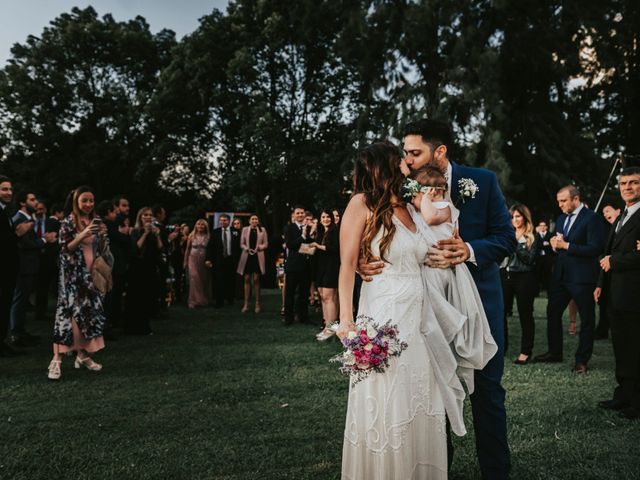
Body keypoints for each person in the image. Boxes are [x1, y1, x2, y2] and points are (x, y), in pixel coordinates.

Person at [359, 120, 516, 479]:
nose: (408, 160)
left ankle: (496, 472)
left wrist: (468, 250)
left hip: (479, 304)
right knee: (430, 393)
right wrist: (359, 260)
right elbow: (371, 228)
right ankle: (437, 467)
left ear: (440, 151)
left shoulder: (482, 181)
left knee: (487, 391)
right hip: (424, 309)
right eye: (405, 154)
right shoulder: (398, 188)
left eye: (415, 153)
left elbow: (506, 237)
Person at [534, 185, 606, 374]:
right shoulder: (561, 219)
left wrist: (566, 245)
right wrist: (554, 245)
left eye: (563, 201)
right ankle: (554, 352)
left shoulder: (592, 218)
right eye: (558, 201)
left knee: (587, 319)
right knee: (552, 312)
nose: (560, 205)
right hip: (561, 276)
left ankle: (582, 360)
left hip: (582, 277)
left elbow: (595, 249)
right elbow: (559, 245)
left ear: (576, 199)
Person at [47, 186, 107, 380]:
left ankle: (82, 354)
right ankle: (57, 359)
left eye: (91, 201)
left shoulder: (94, 220)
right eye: (85, 201)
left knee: (88, 314)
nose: (89, 204)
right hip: (72, 276)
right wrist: (83, 233)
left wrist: (103, 235)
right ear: (76, 201)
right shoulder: (68, 222)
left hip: (91, 274)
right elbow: (65, 248)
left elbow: (100, 248)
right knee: (69, 316)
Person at [595, 167, 640, 419]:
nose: (627, 187)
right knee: (621, 346)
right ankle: (622, 394)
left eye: (633, 183)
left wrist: (616, 261)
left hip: (635, 295)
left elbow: (619, 257)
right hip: (615, 294)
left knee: (636, 347)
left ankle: (637, 401)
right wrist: (601, 282)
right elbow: (607, 252)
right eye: (624, 183)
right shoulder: (621, 214)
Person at [10, 191, 57, 347]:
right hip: (23, 266)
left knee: (23, 300)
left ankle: (20, 331)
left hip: (29, 266)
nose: (36, 202)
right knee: (19, 299)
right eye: (32, 200)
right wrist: (45, 239)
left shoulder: (27, 218)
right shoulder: (19, 219)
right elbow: (25, 243)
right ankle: (16, 334)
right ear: (23, 203)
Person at [502, 205, 540, 365]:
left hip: (524, 277)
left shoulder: (532, 236)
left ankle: (526, 351)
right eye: (512, 217)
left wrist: (516, 245)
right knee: (501, 313)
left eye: (518, 216)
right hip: (505, 275)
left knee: (525, 314)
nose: (514, 220)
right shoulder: (507, 234)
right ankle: (501, 347)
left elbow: (530, 260)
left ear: (524, 217)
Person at [124, 207, 163, 335]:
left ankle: (145, 326)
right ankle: (133, 327)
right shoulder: (135, 231)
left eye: (150, 215)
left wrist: (157, 236)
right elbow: (136, 248)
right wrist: (145, 233)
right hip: (137, 267)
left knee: (148, 297)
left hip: (150, 266)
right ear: (140, 217)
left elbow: (160, 248)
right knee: (136, 297)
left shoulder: (154, 231)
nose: (147, 217)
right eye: (145, 215)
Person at [0, 176, 24, 357]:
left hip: (8, 269)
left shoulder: (5, 211)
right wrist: (17, 233)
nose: (9, 192)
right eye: (4, 189)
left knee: (5, 304)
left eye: (10, 189)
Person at [310, 209, 340, 341]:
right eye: (323, 217)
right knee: (322, 296)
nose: (326, 219)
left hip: (332, 266)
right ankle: (326, 326)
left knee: (330, 297)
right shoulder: (321, 232)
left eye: (328, 217)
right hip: (321, 267)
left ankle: (331, 328)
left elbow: (335, 248)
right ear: (320, 219)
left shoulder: (335, 231)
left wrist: (318, 246)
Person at [283, 206, 312, 325]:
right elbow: (290, 245)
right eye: (298, 213)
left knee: (304, 293)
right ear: (294, 215)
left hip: (306, 265)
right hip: (293, 266)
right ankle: (288, 318)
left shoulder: (309, 227)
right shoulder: (289, 228)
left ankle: (303, 317)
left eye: (302, 213)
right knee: (290, 293)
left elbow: (311, 243)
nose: (300, 215)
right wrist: (303, 237)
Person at [35, 202, 63, 323]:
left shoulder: (45, 223)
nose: (39, 211)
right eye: (38, 209)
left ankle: (40, 312)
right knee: (45, 287)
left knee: (42, 287)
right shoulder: (54, 223)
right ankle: (42, 312)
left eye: (41, 209)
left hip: (44, 258)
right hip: (48, 259)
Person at [205, 214, 239, 308]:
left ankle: (230, 299)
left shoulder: (235, 231)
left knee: (231, 280)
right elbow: (210, 247)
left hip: (231, 259)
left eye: (225, 220)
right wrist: (208, 259)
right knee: (219, 280)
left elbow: (238, 246)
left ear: (229, 221)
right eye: (221, 220)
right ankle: (219, 301)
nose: (222, 222)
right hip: (218, 260)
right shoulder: (215, 232)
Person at [236, 215, 268, 313]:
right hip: (247, 256)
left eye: (256, 219)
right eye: (253, 219)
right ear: (249, 221)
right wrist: (247, 248)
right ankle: (246, 304)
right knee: (246, 278)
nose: (254, 221)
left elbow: (266, 244)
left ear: (258, 221)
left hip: (258, 256)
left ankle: (257, 303)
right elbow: (242, 243)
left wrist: (259, 248)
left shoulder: (262, 230)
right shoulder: (245, 229)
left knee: (256, 279)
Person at [184, 219, 212, 308]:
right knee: (194, 278)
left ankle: (203, 299)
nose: (200, 226)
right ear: (196, 226)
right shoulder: (191, 236)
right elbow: (187, 249)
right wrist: (185, 261)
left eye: (202, 225)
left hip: (203, 260)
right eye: (198, 224)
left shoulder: (208, 236)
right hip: (192, 259)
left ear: (205, 227)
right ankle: (193, 301)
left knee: (203, 279)